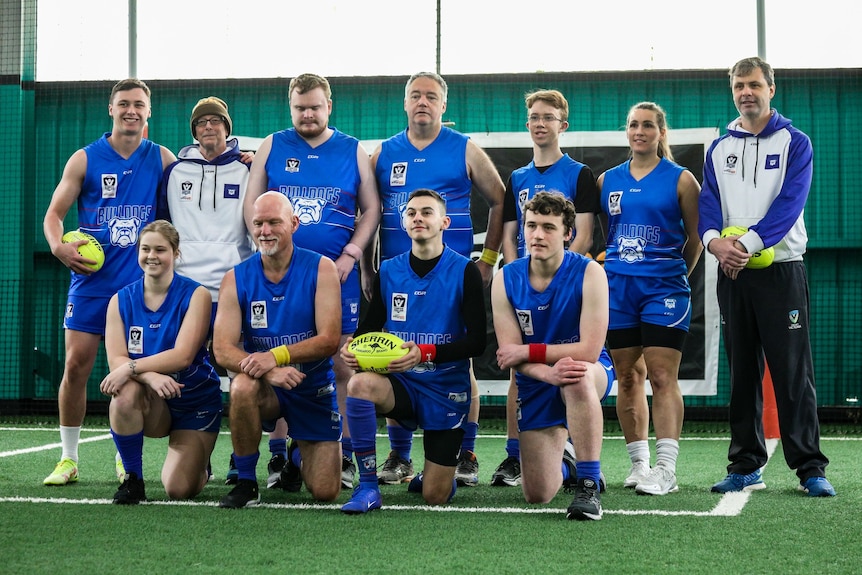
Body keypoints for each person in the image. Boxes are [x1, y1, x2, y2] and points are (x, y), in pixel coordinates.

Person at [699, 57, 835, 497]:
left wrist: (745, 246)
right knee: (742, 372)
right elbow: (708, 204)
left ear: (771, 89)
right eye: (739, 85)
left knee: (792, 372)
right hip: (732, 274)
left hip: (782, 273)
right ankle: (745, 463)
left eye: (754, 84)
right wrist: (713, 242)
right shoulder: (720, 149)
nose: (746, 93)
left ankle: (810, 468)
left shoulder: (796, 142)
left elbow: (789, 205)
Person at [244, 73, 381, 491]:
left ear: (328, 106)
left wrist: (351, 255)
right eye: (300, 107)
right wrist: (270, 259)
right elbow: (251, 207)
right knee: (279, 356)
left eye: (315, 107)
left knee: (341, 361)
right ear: (291, 108)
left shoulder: (352, 149)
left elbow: (372, 209)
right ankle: (280, 454)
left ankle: (342, 455)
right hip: (280, 277)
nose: (308, 114)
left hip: (336, 276)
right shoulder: (273, 144)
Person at [367, 71, 505, 487]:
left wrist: (488, 259)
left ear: (444, 105)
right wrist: (366, 268)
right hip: (398, 274)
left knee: (459, 360)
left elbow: (499, 199)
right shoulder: (383, 153)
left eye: (431, 96)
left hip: (451, 273)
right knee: (393, 355)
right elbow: (366, 209)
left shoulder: (464, 148)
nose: (423, 102)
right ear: (405, 104)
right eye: (415, 96)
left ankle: (466, 452)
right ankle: (399, 454)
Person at [42, 78, 176, 486]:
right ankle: (68, 458)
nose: (131, 110)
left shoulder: (163, 159)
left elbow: (194, 192)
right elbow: (54, 215)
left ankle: (125, 457)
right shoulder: (84, 159)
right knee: (76, 366)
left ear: (148, 112)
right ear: (111, 109)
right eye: (123, 104)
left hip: (141, 290)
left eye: (138, 104)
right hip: (92, 284)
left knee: (131, 373)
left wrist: (238, 159)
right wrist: (57, 247)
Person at [340, 189, 486, 514]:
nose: (417, 217)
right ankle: (368, 487)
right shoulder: (389, 271)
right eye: (411, 213)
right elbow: (369, 328)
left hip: (445, 389)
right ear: (404, 224)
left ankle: (434, 473)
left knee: (435, 495)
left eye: (427, 212)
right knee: (359, 384)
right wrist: (354, 348)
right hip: (402, 384)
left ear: (444, 222)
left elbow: (478, 343)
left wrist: (426, 353)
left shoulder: (465, 271)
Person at [492, 89, 601, 488]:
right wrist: (517, 270)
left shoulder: (579, 174)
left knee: (574, 368)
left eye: (549, 117)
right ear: (527, 123)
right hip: (525, 284)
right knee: (519, 374)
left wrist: (557, 275)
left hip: (562, 280)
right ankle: (514, 454)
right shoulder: (517, 178)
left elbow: (584, 234)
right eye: (534, 116)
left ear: (562, 124)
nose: (541, 123)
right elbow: (508, 235)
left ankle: (581, 462)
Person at [597, 101, 702, 495]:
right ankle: (640, 464)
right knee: (627, 377)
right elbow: (599, 234)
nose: (639, 131)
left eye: (647, 125)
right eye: (633, 125)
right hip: (618, 290)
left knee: (661, 376)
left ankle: (666, 469)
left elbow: (695, 239)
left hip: (665, 290)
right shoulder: (607, 180)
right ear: (627, 131)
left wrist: (674, 275)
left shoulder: (682, 179)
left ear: (660, 132)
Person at [214, 192, 343, 508]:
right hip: (267, 387)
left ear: (294, 224)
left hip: (312, 389)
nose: (265, 231)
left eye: (274, 222)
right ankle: (246, 481)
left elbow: (329, 340)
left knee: (326, 492)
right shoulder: (236, 277)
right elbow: (221, 349)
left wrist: (277, 355)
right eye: (258, 223)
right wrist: (269, 370)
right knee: (242, 384)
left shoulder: (322, 268)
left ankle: (296, 455)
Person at [492, 191, 613, 520]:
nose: (537, 235)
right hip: (536, 380)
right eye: (531, 226)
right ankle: (567, 461)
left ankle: (588, 484)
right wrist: (546, 373)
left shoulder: (590, 273)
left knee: (575, 375)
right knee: (537, 494)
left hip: (588, 371)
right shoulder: (505, 278)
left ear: (567, 234)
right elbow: (508, 355)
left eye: (548, 227)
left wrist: (531, 352)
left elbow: (588, 349)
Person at [156, 96, 255, 486]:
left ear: (227, 129)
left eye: (216, 122)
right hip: (187, 290)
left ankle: (240, 457)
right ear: (194, 131)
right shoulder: (176, 172)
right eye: (201, 123)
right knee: (190, 373)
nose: (209, 127)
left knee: (238, 375)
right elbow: (163, 227)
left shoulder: (248, 170)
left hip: (234, 287)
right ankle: (201, 455)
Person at [98, 220, 222, 504]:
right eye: (145, 249)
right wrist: (150, 377)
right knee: (124, 393)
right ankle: (133, 480)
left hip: (194, 402)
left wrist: (133, 368)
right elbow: (117, 358)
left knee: (178, 490)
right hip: (154, 400)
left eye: (160, 249)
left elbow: (183, 356)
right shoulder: (119, 300)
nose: (151, 256)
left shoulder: (197, 295)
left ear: (175, 253)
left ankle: (200, 462)